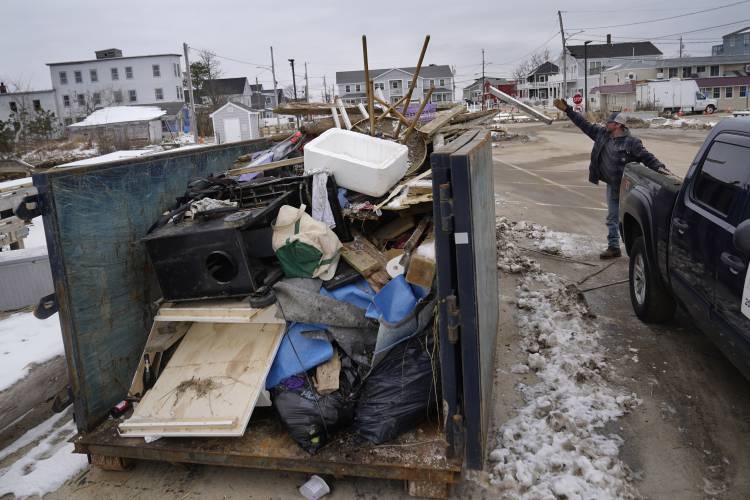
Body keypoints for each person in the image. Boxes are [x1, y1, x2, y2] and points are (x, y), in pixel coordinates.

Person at [553, 99, 668, 259]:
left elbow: (647, 157)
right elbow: (583, 124)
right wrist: (569, 111)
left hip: (628, 187)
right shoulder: (602, 135)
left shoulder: (632, 143)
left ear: (619, 125)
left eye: (610, 122)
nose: (607, 123)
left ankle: (640, 249)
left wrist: (661, 168)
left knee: (633, 218)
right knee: (612, 217)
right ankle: (614, 247)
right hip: (612, 186)